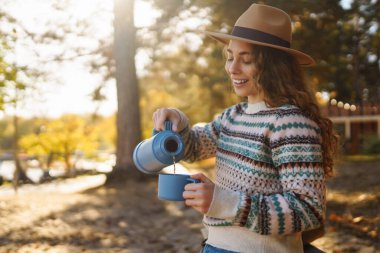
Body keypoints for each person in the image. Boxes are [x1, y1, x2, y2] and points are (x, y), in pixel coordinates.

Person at [153, 3, 338, 253]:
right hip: (214, 246)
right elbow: (193, 147)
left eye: (246, 59)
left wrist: (223, 202)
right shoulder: (233, 116)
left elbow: (308, 209)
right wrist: (178, 121)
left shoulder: (292, 124)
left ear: (274, 66)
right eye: (230, 57)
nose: (232, 68)